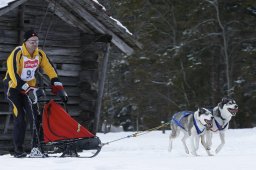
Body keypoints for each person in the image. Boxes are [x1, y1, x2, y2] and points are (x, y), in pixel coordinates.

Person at [3, 30, 68, 158]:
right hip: (14, 88)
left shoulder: (40, 54)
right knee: (20, 117)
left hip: (30, 87)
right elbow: (14, 76)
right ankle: (18, 150)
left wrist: (59, 87)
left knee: (35, 116)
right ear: (25, 42)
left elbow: (50, 70)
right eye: (32, 42)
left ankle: (37, 147)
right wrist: (27, 90)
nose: (35, 44)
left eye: (37, 42)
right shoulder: (18, 52)